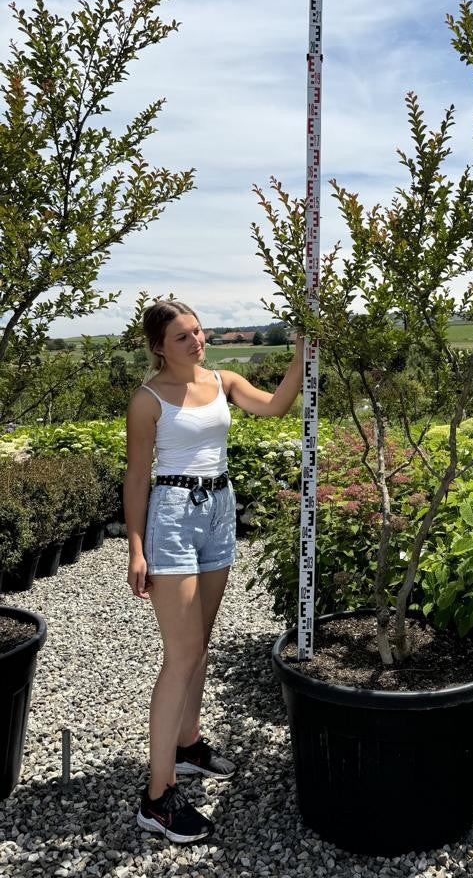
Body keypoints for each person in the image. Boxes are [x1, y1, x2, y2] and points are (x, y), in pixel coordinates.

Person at [124, 300, 303, 843]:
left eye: (198, 332)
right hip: (172, 515)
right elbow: (136, 478)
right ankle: (156, 799)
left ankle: (188, 745)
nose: (196, 342)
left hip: (219, 509)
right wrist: (135, 547)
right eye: (182, 337)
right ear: (158, 346)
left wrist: (301, 352)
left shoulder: (223, 380)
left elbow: (274, 407)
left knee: (199, 644)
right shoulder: (147, 399)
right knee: (180, 658)